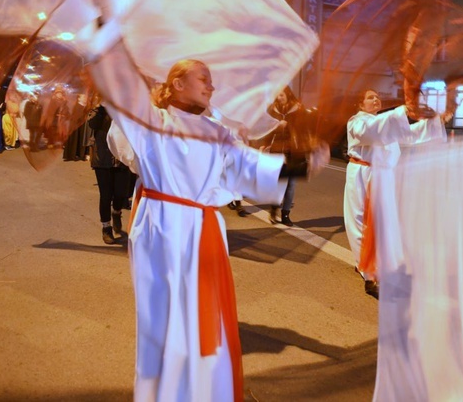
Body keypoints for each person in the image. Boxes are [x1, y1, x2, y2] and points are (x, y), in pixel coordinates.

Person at [90, 55, 329, 401]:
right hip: (161, 229)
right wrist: (109, 31)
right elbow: (121, 91)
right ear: (177, 84)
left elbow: (251, 167)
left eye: (211, 80)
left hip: (202, 230)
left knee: (206, 321)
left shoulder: (217, 133)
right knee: (166, 321)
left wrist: (300, 166)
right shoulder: (152, 121)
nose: (211, 85)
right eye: (203, 78)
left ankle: (203, 390)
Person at [344, 89, 444, 298]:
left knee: (383, 222)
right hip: (364, 174)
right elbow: (369, 133)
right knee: (363, 221)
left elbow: (409, 135)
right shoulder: (357, 121)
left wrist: (435, 121)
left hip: (382, 176)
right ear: (359, 104)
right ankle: (369, 274)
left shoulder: (383, 123)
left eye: (377, 96)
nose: (376, 99)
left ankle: (370, 264)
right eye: (370, 96)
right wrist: (402, 111)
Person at [261, 87, 309, 226]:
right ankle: (273, 210)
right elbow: (267, 128)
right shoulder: (273, 109)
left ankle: (286, 214)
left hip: (294, 151)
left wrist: (289, 126)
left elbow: (304, 129)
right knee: (278, 183)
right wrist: (265, 143)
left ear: (288, 94)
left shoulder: (299, 109)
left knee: (291, 185)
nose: (279, 98)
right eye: (277, 95)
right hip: (277, 150)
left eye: (281, 95)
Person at [87, 105, 130, 245]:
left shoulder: (124, 105)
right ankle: (106, 228)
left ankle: (116, 212)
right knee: (105, 195)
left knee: (120, 193)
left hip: (121, 157)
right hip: (102, 157)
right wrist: (102, 109)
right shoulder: (98, 107)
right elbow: (92, 124)